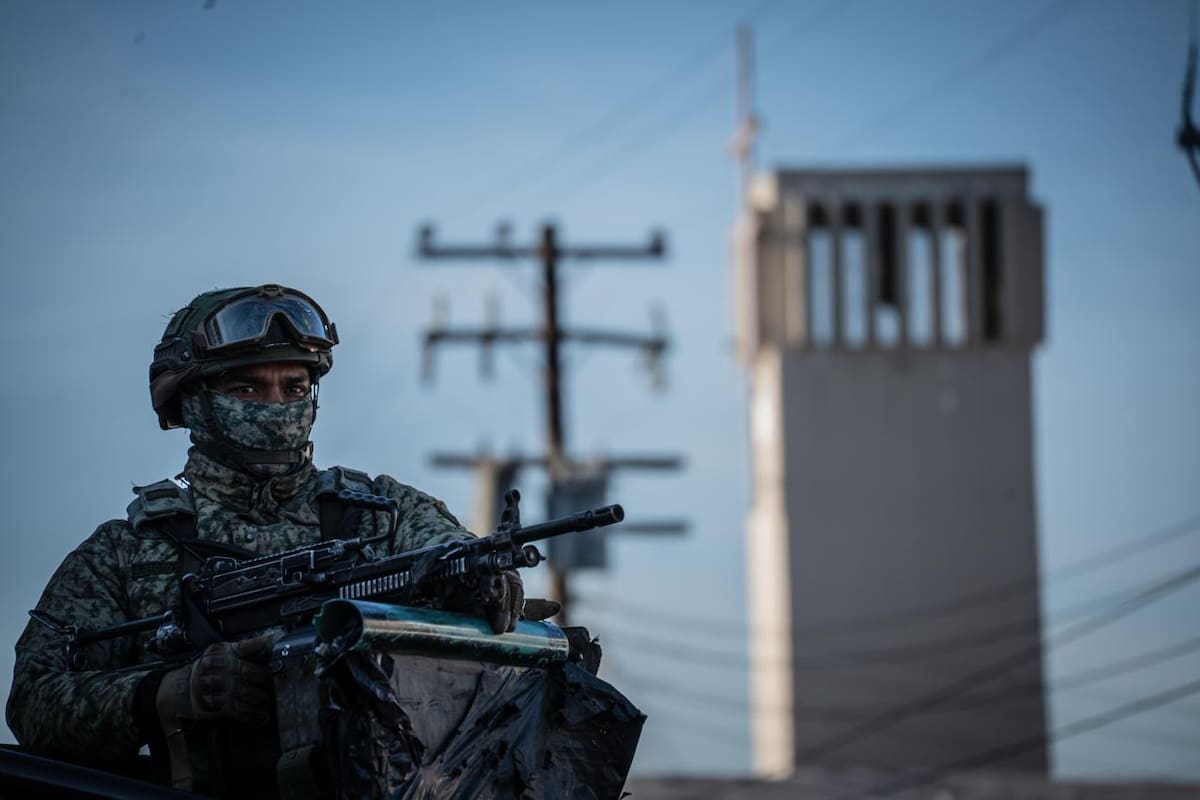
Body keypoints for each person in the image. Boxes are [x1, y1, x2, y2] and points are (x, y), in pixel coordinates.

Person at [6, 284, 524, 796]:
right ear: (193, 403)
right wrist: (170, 694)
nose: (276, 405)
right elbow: (34, 704)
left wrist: (483, 583)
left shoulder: (383, 514)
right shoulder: (126, 552)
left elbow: (449, 552)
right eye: (247, 389)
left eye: (293, 388)